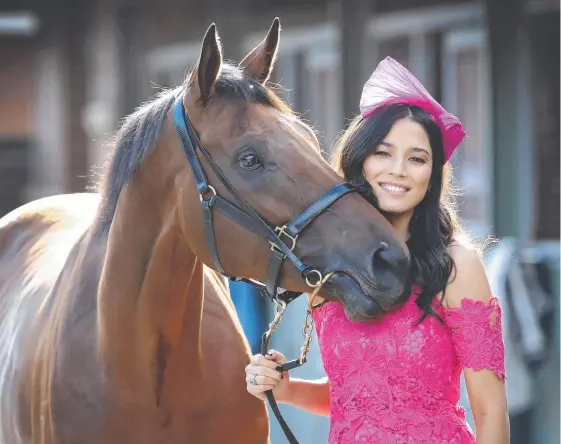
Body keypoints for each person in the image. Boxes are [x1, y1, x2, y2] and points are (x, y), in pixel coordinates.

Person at [244, 57, 509, 443]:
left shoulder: (456, 267)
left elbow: (490, 409)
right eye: (383, 153)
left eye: (417, 158)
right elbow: (357, 396)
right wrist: (286, 389)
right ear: (360, 160)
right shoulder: (331, 270)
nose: (398, 169)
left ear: (432, 175)